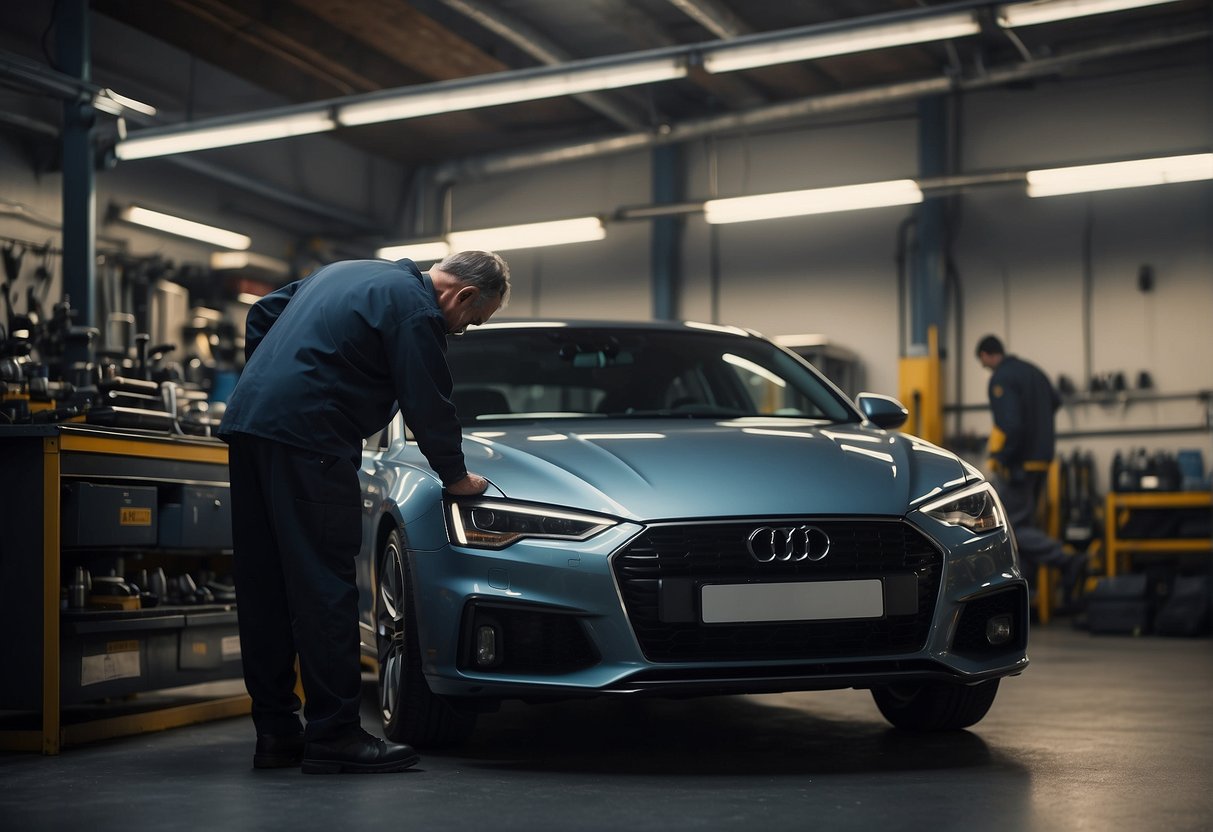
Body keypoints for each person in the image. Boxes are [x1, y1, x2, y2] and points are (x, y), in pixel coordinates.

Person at [217, 251, 510, 774]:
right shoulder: (417, 311)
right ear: (463, 295)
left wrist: (275, 382)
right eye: (472, 321)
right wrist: (456, 477)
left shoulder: (350, 271)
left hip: (249, 425)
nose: (462, 330)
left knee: (265, 585)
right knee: (324, 585)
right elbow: (428, 399)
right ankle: (334, 736)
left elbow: (262, 312)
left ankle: (277, 733)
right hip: (311, 438)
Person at [976, 334, 1084, 607]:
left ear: (987, 355)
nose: (985, 367)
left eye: (983, 362)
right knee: (1024, 525)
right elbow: (1056, 401)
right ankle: (1024, 592)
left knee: (1012, 527)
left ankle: (1066, 559)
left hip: (1019, 463)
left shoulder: (1001, 378)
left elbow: (1011, 424)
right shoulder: (1034, 371)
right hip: (1041, 460)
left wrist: (1003, 456)